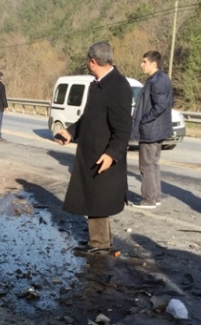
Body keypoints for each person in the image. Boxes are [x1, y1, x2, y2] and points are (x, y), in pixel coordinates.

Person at [54, 41, 132, 255]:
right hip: (91, 152)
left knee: (98, 200)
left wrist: (111, 154)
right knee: (94, 199)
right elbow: (88, 118)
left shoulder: (118, 85)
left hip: (103, 154)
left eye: (88, 62)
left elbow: (124, 128)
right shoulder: (96, 84)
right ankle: (101, 242)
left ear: (93, 61)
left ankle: (99, 245)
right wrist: (70, 132)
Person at [130, 51, 173, 209]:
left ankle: (149, 199)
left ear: (154, 64)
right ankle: (155, 197)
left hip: (151, 130)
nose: (141, 65)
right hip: (157, 130)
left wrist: (144, 120)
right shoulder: (162, 78)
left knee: (146, 165)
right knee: (154, 164)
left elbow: (160, 105)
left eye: (144, 62)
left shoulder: (156, 81)